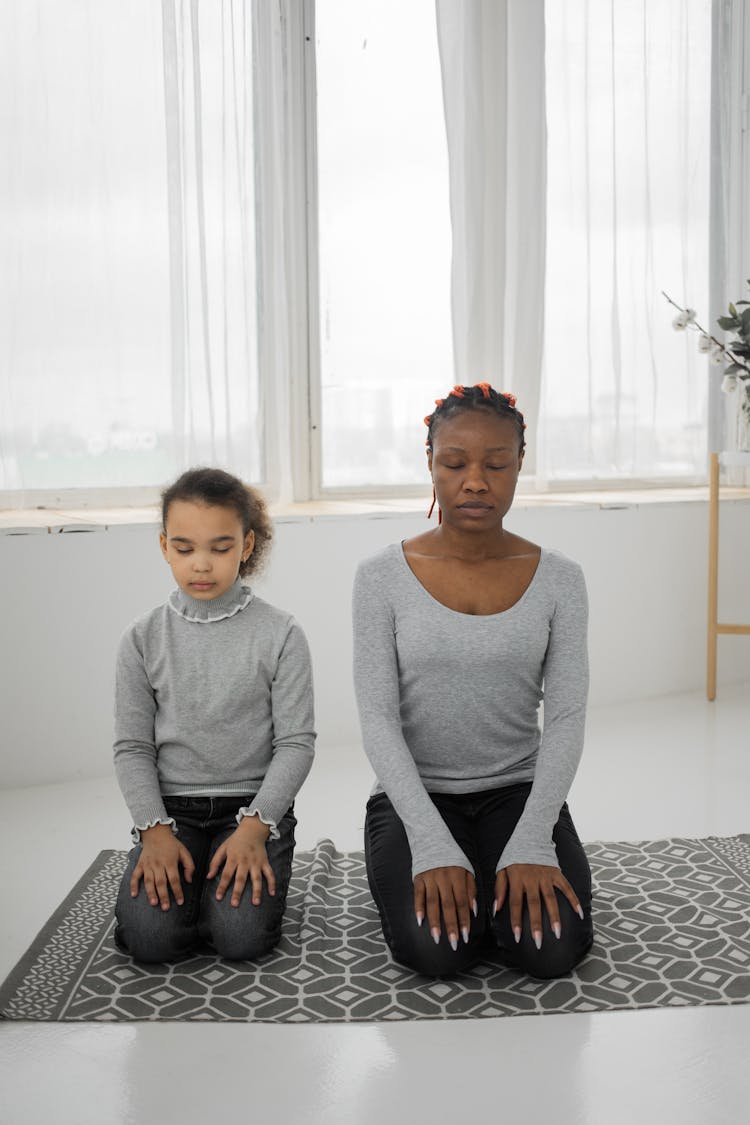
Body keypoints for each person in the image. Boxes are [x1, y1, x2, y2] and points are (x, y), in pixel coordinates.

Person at [353, 383, 593, 978]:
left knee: (552, 951)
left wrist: (534, 839)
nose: (476, 481)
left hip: (518, 790)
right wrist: (431, 846)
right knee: (438, 952)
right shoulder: (380, 576)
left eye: (497, 463)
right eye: (455, 463)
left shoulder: (561, 579)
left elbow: (564, 718)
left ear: (519, 463)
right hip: (416, 794)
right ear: (430, 464)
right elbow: (378, 719)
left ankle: (497, 873)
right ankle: (459, 874)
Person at [113, 467, 315, 963]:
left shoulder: (282, 633)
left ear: (246, 546)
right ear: (164, 546)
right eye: (184, 549)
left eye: (220, 548)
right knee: (149, 942)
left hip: (251, 808)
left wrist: (255, 828)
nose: (201, 564)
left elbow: (296, 744)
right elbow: (132, 747)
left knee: (240, 940)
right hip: (172, 811)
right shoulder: (141, 638)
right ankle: (195, 894)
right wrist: (154, 832)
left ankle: (222, 899)